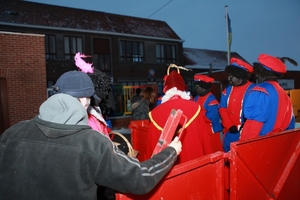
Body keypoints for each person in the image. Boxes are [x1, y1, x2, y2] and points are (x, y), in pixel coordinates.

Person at [0, 70, 182, 200]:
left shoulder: (12, 133)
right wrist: (171, 152)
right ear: (84, 101)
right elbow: (141, 178)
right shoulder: (93, 144)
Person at [146, 64, 212, 164]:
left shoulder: (155, 113)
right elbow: (205, 141)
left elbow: (151, 145)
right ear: (183, 89)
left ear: (166, 90)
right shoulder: (195, 108)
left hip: (166, 165)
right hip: (194, 163)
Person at [241, 54, 295, 139]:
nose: (256, 76)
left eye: (258, 73)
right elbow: (290, 125)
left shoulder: (261, 91)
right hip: (277, 144)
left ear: (262, 73)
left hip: (260, 144)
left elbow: (253, 126)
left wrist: (242, 146)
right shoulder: (285, 95)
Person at [219, 57, 255, 152]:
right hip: (228, 132)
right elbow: (222, 109)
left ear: (241, 76)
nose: (229, 78)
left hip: (245, 134)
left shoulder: (253, 91)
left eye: (232, 76)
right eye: (228, 75)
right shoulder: (227, 91)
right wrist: (229, 125)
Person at [193, 74, 223, 152]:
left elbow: (209, 118)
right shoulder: (196, 98)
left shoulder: (211, 100)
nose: (195, 88)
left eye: (197, 86)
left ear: (203, 86)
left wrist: (197, 115)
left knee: (213, 151)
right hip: (201, 131)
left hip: (211, 132)